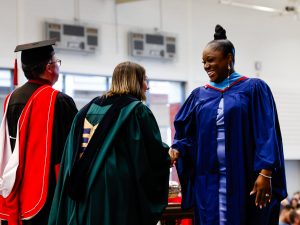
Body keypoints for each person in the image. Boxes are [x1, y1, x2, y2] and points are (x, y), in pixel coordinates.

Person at [168, 24, 287, 225]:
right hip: (209, 179)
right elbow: (186, 133)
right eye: (204, 62)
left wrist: (265, 172)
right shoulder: (199, 95)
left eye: (211, 60)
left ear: (229, 59)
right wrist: (178, 148)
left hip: (244, 175)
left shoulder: (253, 89)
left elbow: (266, 132)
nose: (206, 66)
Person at [48, 61, 170, 225]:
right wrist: (168, 157)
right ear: (135, 81)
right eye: (144, 80)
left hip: (79, 186)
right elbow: (151, 154)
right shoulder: (136, 110)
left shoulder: (87, 108)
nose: (147, 87)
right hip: (113, 190)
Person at [0, 39, 78, 225]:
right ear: (49, 67)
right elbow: (72, 149)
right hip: (49, 189)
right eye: (56, 62)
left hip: (16, 184)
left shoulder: (11, 98)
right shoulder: (58, 100)